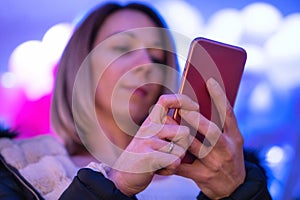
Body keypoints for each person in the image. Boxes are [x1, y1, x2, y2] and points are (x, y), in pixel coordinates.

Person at [0, 2, 271, 200]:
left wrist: (241, 192)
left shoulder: (214, 176)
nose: (145, 65)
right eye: (122, 48)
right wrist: (116, 184)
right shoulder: (16, 167)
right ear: (79, 64)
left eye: (156, 57)